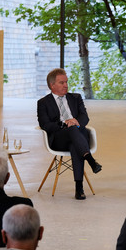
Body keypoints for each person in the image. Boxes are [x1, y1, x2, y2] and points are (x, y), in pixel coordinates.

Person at [37, 68, 101, 200]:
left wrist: (75, 121)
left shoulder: (76, 98)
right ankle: (90, 160)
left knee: (74, 144)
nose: (66, 85)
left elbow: (85, 117)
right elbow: (45, 124)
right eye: (62, 83)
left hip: (78, 136)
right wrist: (63, 124)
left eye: (66, 82)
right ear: (52, 85)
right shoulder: (43, 103)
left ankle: (79, 188)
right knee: (71, 130)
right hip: (59, 139)